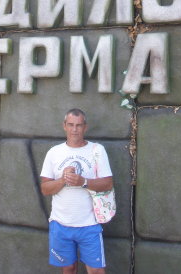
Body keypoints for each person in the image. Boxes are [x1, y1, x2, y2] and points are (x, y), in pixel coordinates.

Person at [40, 108, 113, 274]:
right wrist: (63, 180)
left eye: (79, 125)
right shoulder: (54, 152)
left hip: (89, 224)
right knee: (69, 269)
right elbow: (45, 189)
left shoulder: (97, 150)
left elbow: (108, 184)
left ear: (85, 127)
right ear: (64, 126)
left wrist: (83, 182)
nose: (74, 129)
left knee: (96, 271)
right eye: (71, 125)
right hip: (60, 224)